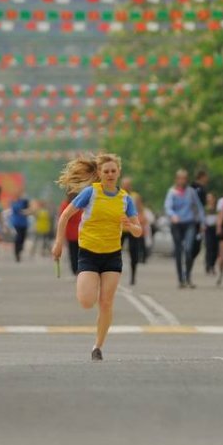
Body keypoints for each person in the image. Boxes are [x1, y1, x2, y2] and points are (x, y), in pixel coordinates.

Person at [53, 153, 143, 361]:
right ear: (99, 174)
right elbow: (66, 215)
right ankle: (87, 288)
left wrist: (131, 226)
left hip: (112, 255)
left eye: (113, 171)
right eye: (106, 171)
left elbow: (138, 230)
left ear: (118, 172)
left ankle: (98, 346)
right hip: (89, 254)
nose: (110, 174)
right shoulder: (90, 193)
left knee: (106, 302)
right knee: (86, 301)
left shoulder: (125, 199)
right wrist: (58, 243)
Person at [163, 168, 204, 289]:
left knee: (188, 249)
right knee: (178, 251)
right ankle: (181, 279)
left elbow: (199, 207)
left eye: (185, 178)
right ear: (176, 179)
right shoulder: (171, 192)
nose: (182, 180)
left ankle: (188, 276)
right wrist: (172, 215)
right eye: (180, 178)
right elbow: (167, 206)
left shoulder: (191, 192)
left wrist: (202, 223)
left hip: (189, 223)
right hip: (176, 224)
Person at [121, 177, 146, 286]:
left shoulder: (135, 196)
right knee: (115, 253)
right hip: (120, 229)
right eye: (124, 185)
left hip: (132, 228)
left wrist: (141, 224)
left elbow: (140, 210)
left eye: (128, 185)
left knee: (133, 253)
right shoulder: (118, 196)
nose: (126, 187)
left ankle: (133, 276)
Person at [193, 170, 217, 277]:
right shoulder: (195, 189)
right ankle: (208, 265)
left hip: (214, 228)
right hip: (204, 226)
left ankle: (212, 264)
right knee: (208, 246)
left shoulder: (216, 209)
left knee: (214, 247)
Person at [58, 190, 83, 276]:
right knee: (79, 253)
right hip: (79, 232)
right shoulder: (80, 204)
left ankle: (75, 270)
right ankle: (79, 269)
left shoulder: (65, 204)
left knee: (72, 253)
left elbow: (62, 218)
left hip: (71, 232)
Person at [10, 195, 31, 262]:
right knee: (18, 238)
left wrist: (26, 211)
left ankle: (20, 249)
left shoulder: (24, 202)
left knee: (23, 238)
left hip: (24, 224)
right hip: (16, 224)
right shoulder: (14, 203)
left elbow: (29, 210)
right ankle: (17, 252)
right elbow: (15, 210)